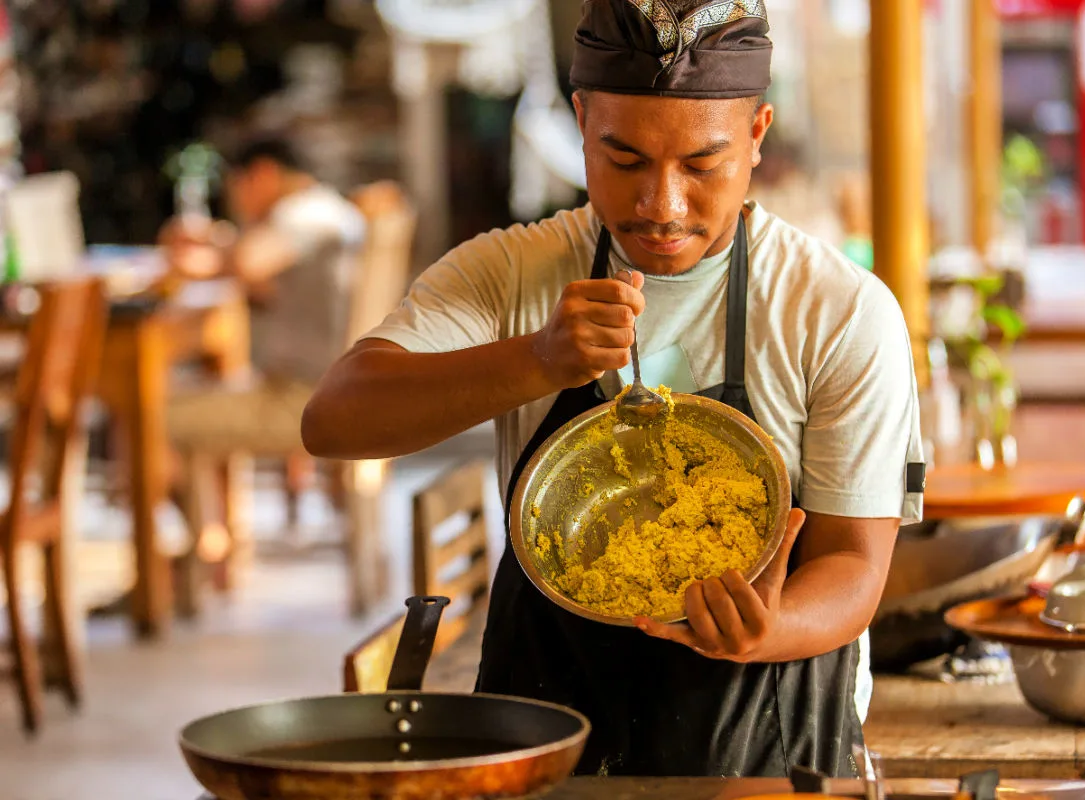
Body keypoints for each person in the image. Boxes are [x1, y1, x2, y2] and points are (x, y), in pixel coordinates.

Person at [302, 0, 924, 779]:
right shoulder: (510, 274)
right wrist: (536, 361)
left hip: (768, 755)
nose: (660, 207)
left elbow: (854, 566)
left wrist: (766, 627)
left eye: (702, 165)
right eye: (624, 159)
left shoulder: (835, 310)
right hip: (546, 744)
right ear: (580, 120)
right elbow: (335, 420)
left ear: (758, 134)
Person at [161, 136, 366, 455]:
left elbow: (250, 262)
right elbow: (264, 282)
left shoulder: (306, 213)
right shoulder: (330, 208)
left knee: (153, 414)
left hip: (304, 400)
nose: (237, 201)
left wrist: (205, 245)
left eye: (237, 187)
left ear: (263, 174)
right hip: (333, 391)